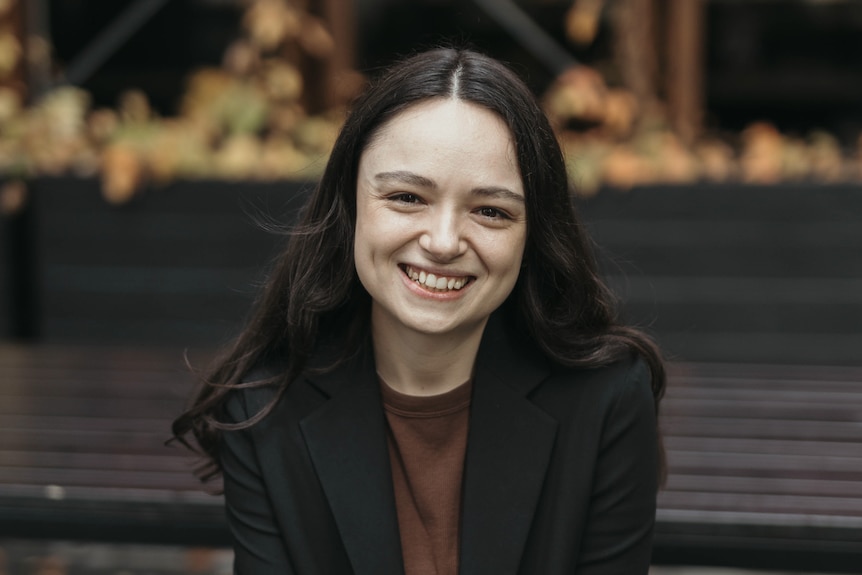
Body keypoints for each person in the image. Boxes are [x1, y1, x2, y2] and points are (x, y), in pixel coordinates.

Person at [172, 47, 665, 575]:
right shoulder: (265, 407)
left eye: (491, 211)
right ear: (351, 204)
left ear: (533, 235)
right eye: (407, 198)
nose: (444, 241)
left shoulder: (607, 399)